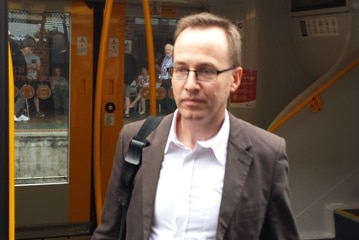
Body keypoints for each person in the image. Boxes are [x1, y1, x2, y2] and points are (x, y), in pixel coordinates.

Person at [92, 12, 299, 240]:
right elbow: (109, 231)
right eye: (181, 70)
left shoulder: (267, 154)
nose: (190, 85)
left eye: (206, 71)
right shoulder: (135, 140)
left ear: (235, 79)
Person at [13, 37, 34, 122]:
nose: (31, 51)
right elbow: (19, 72)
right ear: (27, 48)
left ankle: (19, 114)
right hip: (19, 81)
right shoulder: (19, 58)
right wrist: (23, 83)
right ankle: (14, 114)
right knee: (21, 97)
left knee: (22, 97)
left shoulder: (19, 56)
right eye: (31, 49)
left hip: (20, 81)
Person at [24, 36, 45, 117]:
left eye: (31, 45)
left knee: (35, 95)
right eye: (28, 45)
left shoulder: (36, 57)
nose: (30, 47)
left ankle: (37, 111)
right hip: (25, 79)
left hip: (33, 78)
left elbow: (38, 67)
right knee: (24, 94)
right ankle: (24, 111)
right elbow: (24, 67)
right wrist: (32, 65)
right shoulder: (23, 57)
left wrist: (30, 66)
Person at [156, 43, 176, 114]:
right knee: (160, 96)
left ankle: (170, 112)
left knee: (168, 98)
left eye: (168, 49)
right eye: (166, 50)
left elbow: (174, 70)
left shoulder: (174, 58)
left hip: (170, 80)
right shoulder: (165, 58)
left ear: (172, 50)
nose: (167, 51)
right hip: (163, 79)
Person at [124, 50, 137, 118]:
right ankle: (127, 111)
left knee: (124, 95)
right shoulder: (132, 57)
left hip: (122, 79)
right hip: (129, 79)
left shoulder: (122, 57)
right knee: (127, 95)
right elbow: (135, 69)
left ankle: (125, 110)